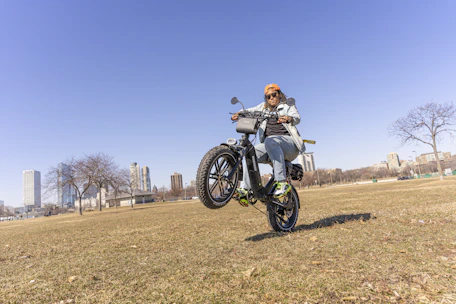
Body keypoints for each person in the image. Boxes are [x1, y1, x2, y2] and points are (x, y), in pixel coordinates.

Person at [231, 83, 305, 206]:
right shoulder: (262, 108)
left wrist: (288, 118)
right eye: (268, 96)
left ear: (279, 94)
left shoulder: (287, 106)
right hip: (270, 146)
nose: (271, 98)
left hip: (289, 145)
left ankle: (281, 182)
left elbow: (296, 117)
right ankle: (244, 189)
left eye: (274, 94)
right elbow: (249, 111)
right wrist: (239, 113)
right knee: (250, 153)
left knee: (270, 140)